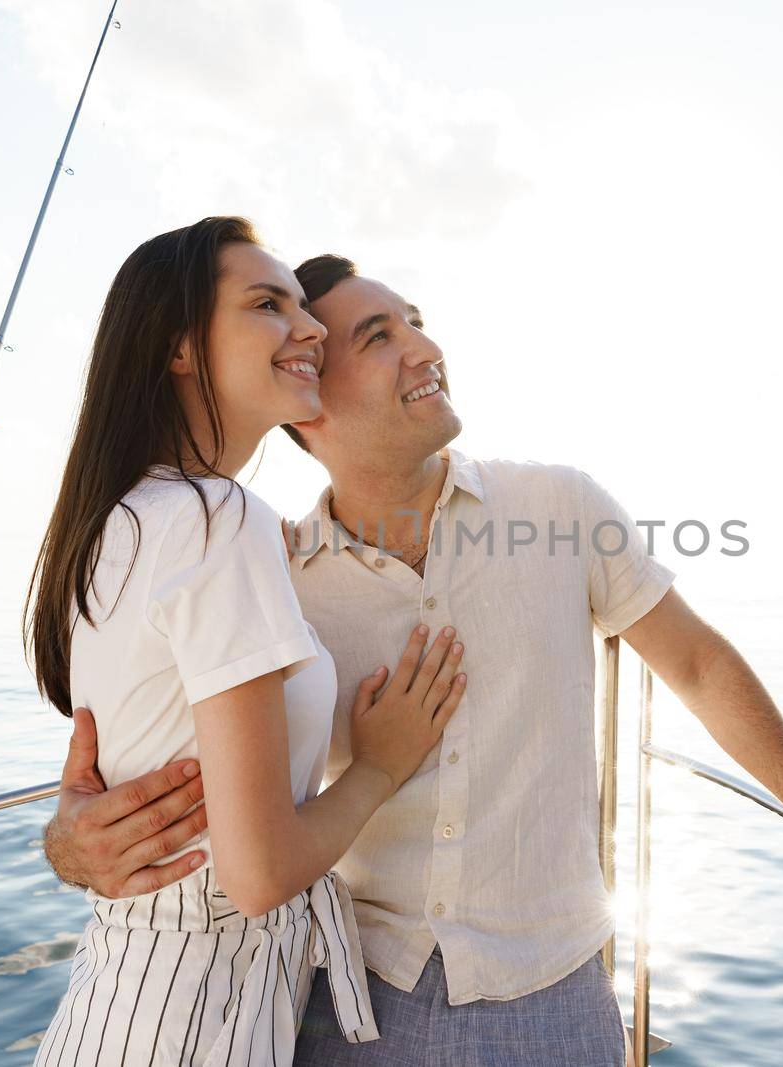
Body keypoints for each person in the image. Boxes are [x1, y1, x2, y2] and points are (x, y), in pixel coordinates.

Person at [44, 253, 783, 1066]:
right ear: (309, 398)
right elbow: (153, 732)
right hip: (346, 1003)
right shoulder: (273, 566)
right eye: (379, 336)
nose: (425, 348)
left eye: (415, 320)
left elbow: (696, 664)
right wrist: (68, 841)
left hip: (555, 1000)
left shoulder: (560, 505)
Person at [24, 219, 468, 1067]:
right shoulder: (218, 519)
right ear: (179, 347)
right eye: (269, 305)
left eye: (304, 308)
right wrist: (380, 764)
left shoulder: (120, 519)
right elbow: (260, 873)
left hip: (130, 998)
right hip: (201, 1020)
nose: (308, 330)